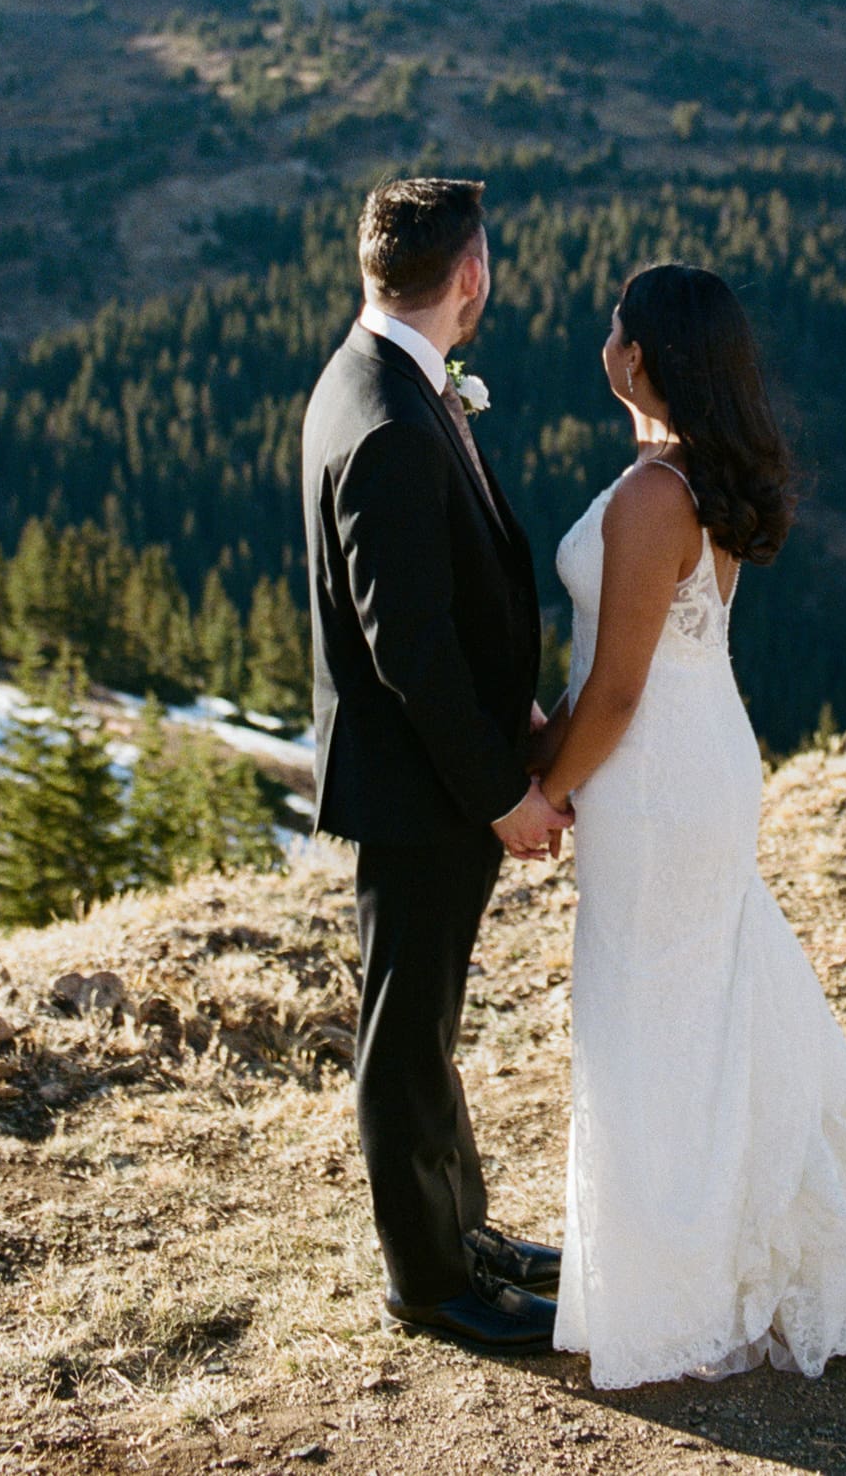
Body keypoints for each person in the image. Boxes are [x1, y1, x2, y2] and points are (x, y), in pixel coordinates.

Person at [536, 262, 846, 1388]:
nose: (604, 338)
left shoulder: (656, 496)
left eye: (615, 325)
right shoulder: (688, 473)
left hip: (653, 773)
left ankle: (675, 1295)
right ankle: (703, 1268)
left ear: (639, 355)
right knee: (689, 1011)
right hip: (693, 753)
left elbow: (617, 689)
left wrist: (549, 787)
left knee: (649, 1016)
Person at [301, 177, 568, 1355]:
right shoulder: (389, 422)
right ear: (470, 274)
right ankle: (428, 1279)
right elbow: (404, 646)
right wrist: (502, 792)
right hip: (420, 788)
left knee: (428, 1019)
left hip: (431, 770)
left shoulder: (388, 378)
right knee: (405, 1035)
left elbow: (435, 597)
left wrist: (510, 700)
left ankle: (463, 1233)